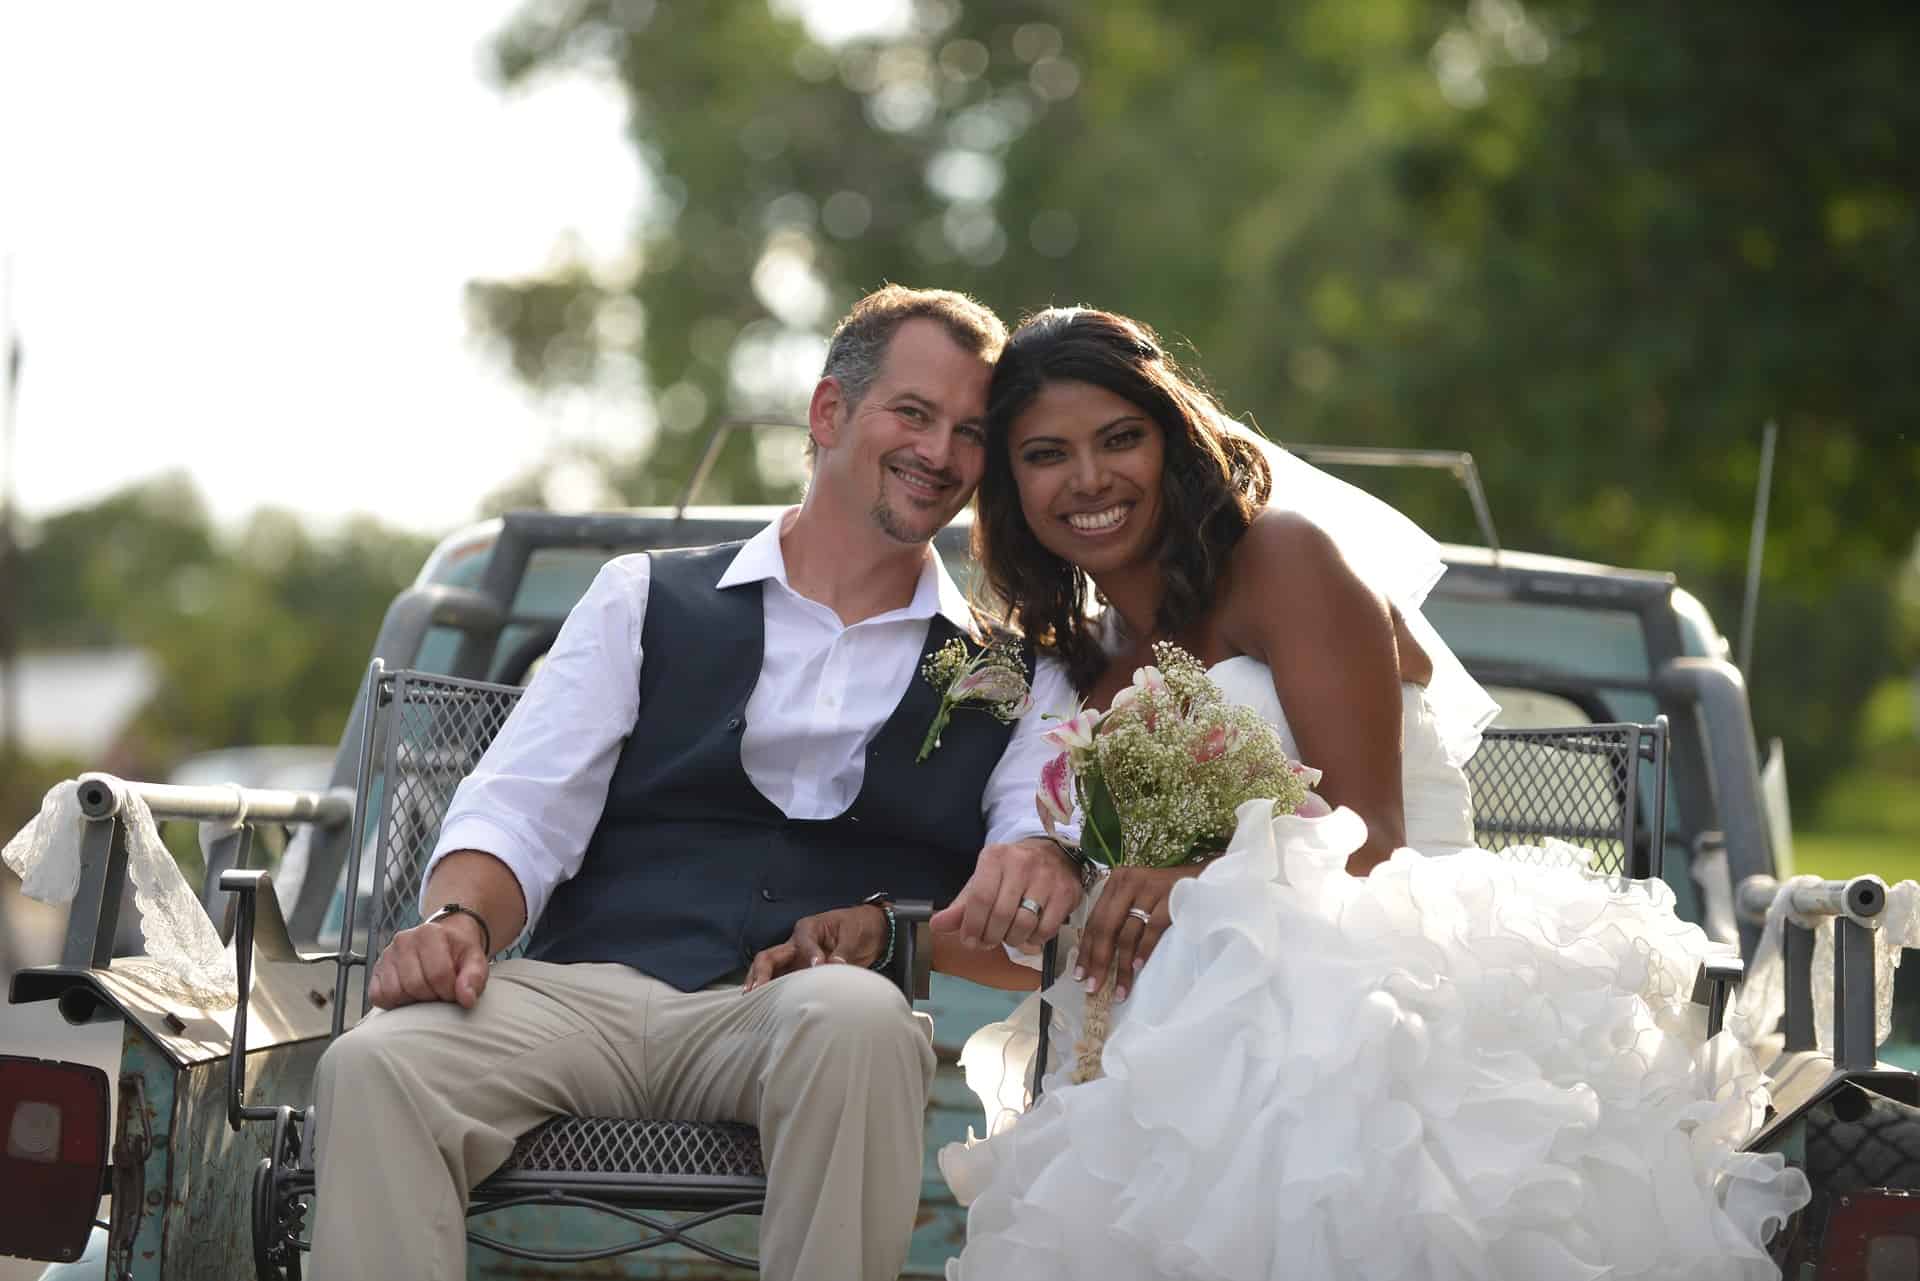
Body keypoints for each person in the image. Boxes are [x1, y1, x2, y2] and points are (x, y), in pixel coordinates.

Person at [938, 307, 1811, 1280]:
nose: (1089, 479)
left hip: (1377, 977)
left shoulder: (1284, 560)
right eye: (1047, 455)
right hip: (1176, 1024)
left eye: (1121, 439)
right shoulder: (1087, 666)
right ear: (1012, 487)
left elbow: (1371, 835)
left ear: (1173, 441)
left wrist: (1184, 881)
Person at [306, 285, 1086, 1281]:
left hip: (794, 1020)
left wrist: (907, 921)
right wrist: (460, 919)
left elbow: (1025, 909)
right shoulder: (643, 596)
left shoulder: (1015, 676)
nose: (940, 452)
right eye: (914, 413)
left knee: (860, 1019)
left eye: (971, 432)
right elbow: (521, 809)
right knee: (376, 1064)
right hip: (589, 991)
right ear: (828, 414)